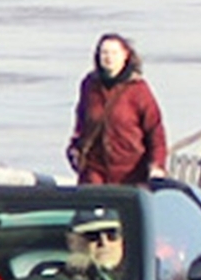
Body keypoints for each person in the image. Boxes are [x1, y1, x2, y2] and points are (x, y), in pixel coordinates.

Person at [67, 32, 167, 184]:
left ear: (125, 56)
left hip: (130, 172)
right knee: (91, 201)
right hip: (94, 167)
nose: (108, 57)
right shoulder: (90, 85)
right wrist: (74, 148)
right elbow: (81, 121)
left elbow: (155, 130)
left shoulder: (138, 90)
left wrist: (157, 165)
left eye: (114, 53)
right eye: (104, 52)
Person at [63, 208, 129, 280]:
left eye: (112, 234)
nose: (104, 243)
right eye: (92, 236)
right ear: (72, 242)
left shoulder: (143, 278)